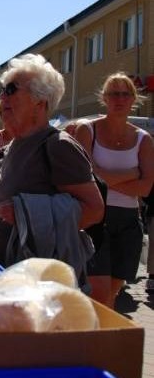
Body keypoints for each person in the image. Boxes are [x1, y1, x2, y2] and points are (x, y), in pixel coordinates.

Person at [0, 54, 104, 275]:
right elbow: (0, 211)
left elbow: (94, 210)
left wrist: (28, 213)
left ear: (40, 102)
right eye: (3, 90)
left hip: (35, 281)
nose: (2, 97)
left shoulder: (57, 146)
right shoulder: (5, 151)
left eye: (11, 89)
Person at [74, 72, 154, 307]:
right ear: (104, 98)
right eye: (113, 94)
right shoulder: (87, 131)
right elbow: (85, 177)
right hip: (96, 218)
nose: (119, 99)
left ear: (133, 98)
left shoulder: (143, 139)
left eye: (125, 94)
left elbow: (147, 186)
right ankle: (97, 339)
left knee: (112, 294)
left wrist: (103, 177)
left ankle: (101, 338)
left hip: (129, 222)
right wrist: (131, 174)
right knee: (99, 292)